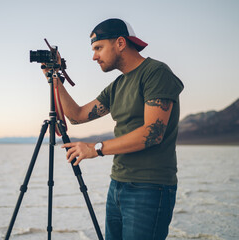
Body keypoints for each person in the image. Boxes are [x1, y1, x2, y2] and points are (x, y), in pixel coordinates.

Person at [43, 18, 184, 240]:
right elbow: (77, 116)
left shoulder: (155, 72)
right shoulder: (118, 85)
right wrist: (53, 78)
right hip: (118, 184)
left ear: (120, 43)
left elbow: (153, 133)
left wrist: (95, 148)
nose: (94, 56)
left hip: (150, 187)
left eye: (98, 48)